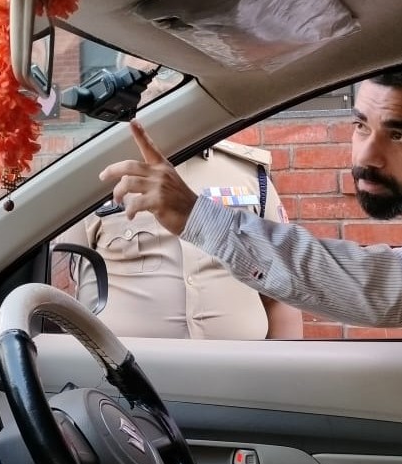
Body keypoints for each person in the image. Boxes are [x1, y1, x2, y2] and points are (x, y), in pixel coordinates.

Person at [99, 53, 402, 338]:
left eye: (400, 135)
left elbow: (393, 289)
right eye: (360, 125)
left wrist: (200, 219)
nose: (365, 156)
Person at [57, 139, 302, 339]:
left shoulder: (247, 175)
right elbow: (65, 285)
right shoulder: (98, 179)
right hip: (123, 381)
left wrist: (284, 383)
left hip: (241, 378)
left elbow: (281, 294)